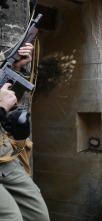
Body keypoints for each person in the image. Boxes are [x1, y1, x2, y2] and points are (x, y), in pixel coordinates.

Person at [0, 43, 50, 221]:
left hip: (4, 158)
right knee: (11, 217)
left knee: (38, 215)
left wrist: (16, 69)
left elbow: (9, 100)